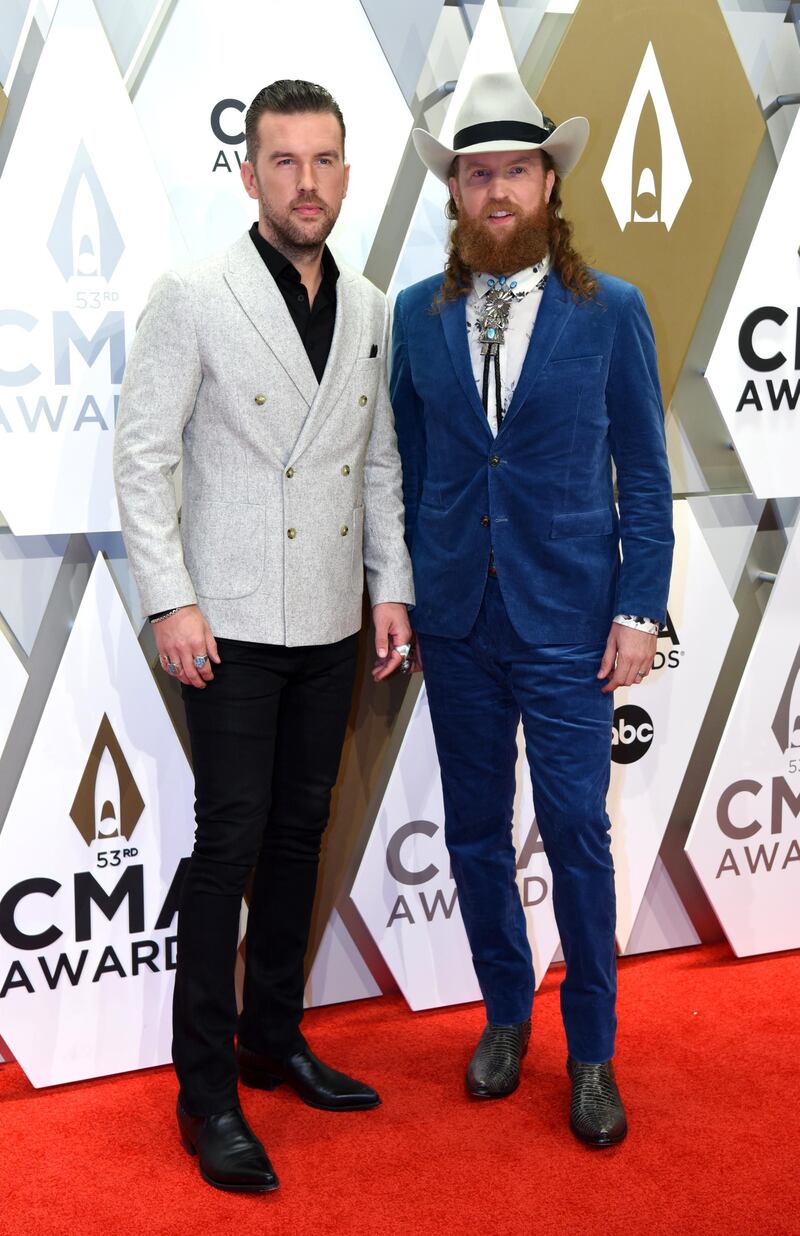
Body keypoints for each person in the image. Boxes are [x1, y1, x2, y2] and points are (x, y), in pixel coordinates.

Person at [114, 79, 414, 1193]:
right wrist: (168, 597)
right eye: (282, 161)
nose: (306, 182)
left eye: (324, 160)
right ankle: (205, 1094)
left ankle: (271, 1034)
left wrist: (389, 584)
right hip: (227, 621)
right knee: (226, 845)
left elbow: (375, 460)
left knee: (301, 834)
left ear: (346, 170)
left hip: (331, 612)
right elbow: (143, 455)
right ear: (247, 175)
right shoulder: (191, 294)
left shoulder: (374, 308)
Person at [390, 69, 673, 1147]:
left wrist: (638, 609)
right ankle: (505, 1013)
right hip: (456, 621)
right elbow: (413, 473)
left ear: (548, 183)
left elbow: (643, 479)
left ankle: (590, 1048)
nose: (494, 189)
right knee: (471, 834)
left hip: (568, 622)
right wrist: (405, 594)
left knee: (575, 835)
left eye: (514, 169)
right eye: (475, 174)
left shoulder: (612, 313)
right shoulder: (419, 317)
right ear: (454, 193)